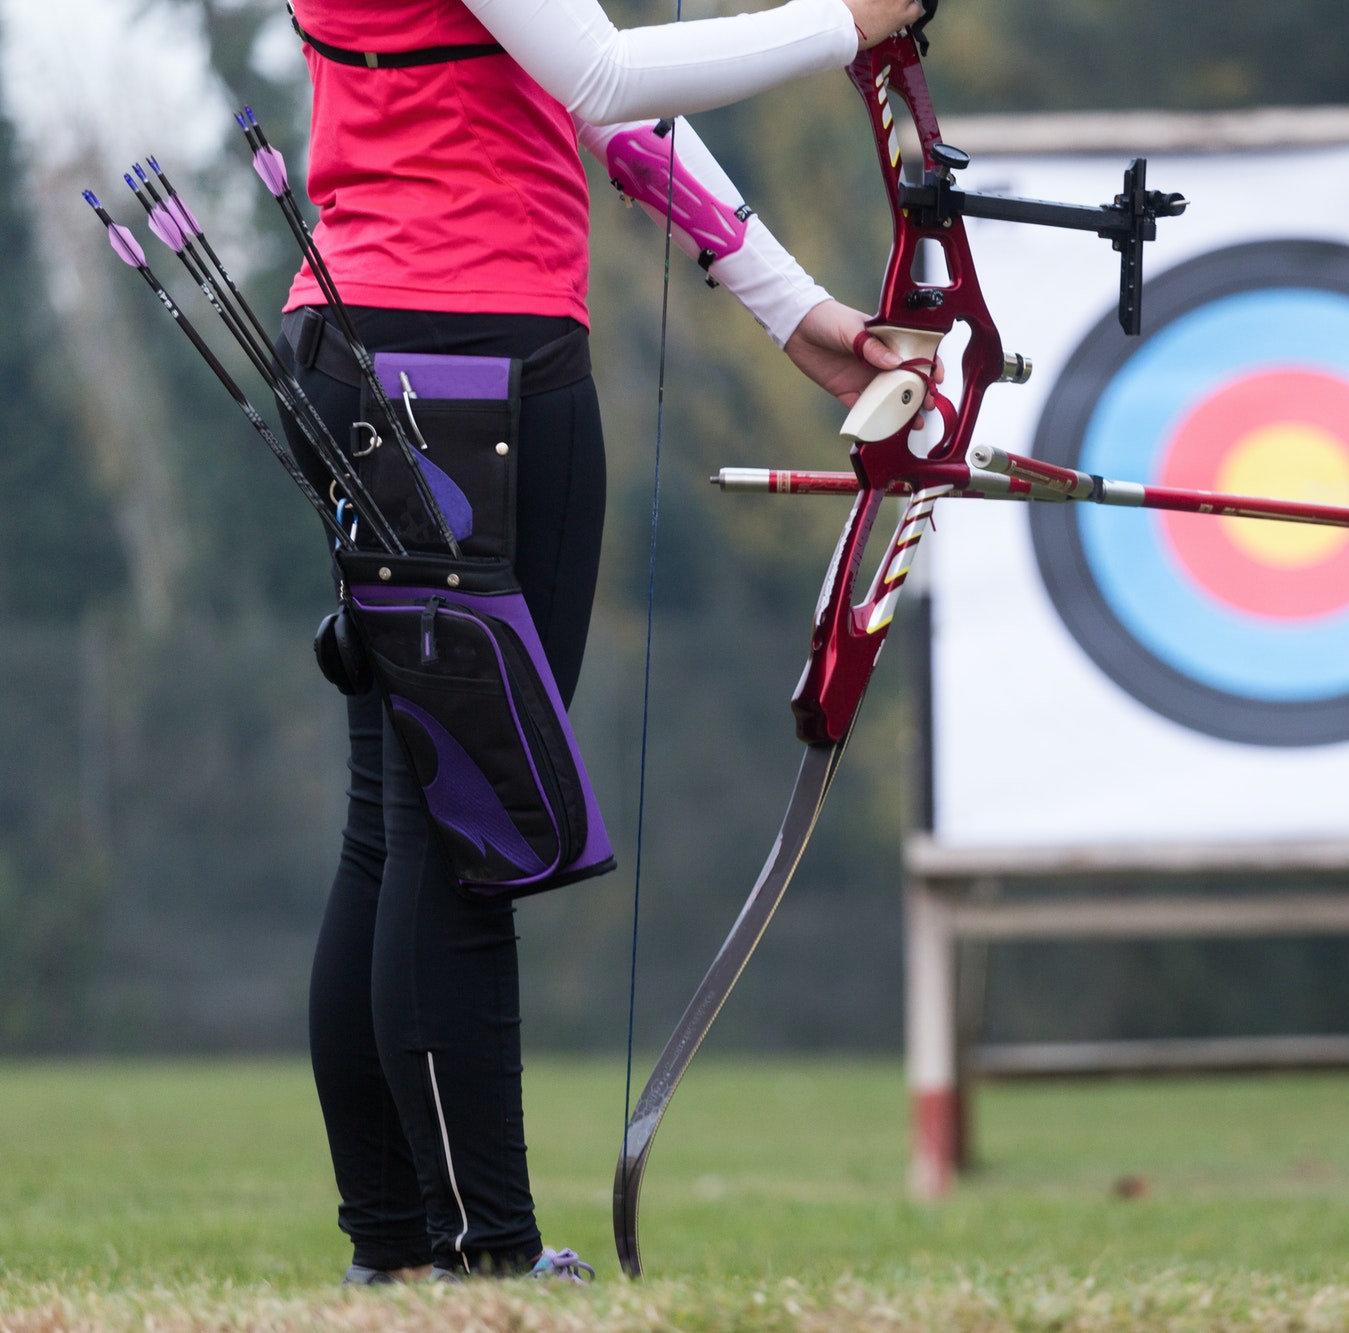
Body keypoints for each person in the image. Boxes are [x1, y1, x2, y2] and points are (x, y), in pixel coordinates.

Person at [284, 0, 925, 1284]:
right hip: (471, 366)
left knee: (399, 814)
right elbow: (606, 70)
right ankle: (478, 1262)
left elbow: (579, 98)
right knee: (467, 826)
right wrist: (849, 22)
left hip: (373, 346)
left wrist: (785, 303)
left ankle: (403, 1254)